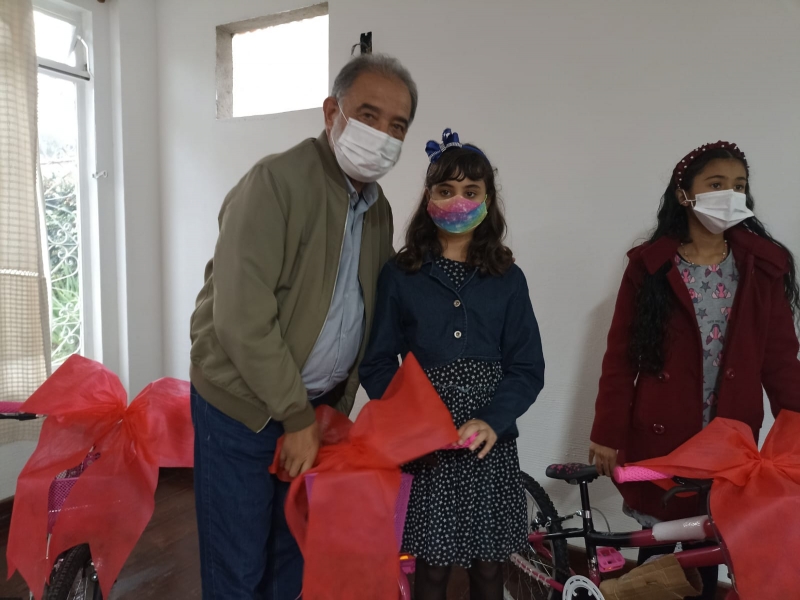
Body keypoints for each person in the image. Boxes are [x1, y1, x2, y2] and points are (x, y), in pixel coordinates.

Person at [188, 54, 417, 600]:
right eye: (369, 115)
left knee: (290, 559)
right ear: (332, 112)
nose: (382, 136)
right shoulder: (276, 183)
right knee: (238, 567)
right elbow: (241, 318)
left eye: (397, 126)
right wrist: (295, 416)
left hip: (313, 411)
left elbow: (368, 306)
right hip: (244, 409)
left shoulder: (377, 208)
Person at [588, 141, 800, 599]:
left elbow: (782, 360)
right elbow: (622, 358)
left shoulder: (761, 268)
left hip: (728, 440)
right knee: (658, 554)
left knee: (710, 548)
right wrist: (606, 432)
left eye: (739, 186)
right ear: (684, 194)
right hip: (661, 435)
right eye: (716, 184)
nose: (731, 195)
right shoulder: (650, 266)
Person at [359, 129, 545, 600]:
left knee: (489, 569)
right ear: (428, 198)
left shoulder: (508, 278)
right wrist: (415, 423)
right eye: (445, 190)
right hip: (429, 447)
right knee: (432, 569)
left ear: (488, 200)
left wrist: (493, 420)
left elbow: (527, 367)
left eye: (470, 191)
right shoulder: (401, 274)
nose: (457, 200)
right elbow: (377, 362)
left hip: (489, 444)